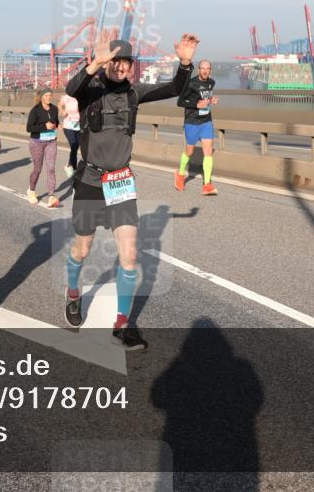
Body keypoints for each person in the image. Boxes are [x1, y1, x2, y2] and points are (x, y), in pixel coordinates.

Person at [63, 33, 199, 350]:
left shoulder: (134, 93)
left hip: (121, 181)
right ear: (107, 63)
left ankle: (122, 323)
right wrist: (94, 62)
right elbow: (71, 89)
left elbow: (175, 89)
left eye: (126, 63)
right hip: (90, 183)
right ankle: (73, 292)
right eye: (116, 62)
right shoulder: (91, 91)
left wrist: (185, 63)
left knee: (130, 256)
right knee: (81, 250)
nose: (121, 68)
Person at [175, 59, 219, 195]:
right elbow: (180, 102)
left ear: (210, 70)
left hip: (206, 121)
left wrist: (212, 100)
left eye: (208, 69)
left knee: (208, 151)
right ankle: (180, 174)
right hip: (192, 122)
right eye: (202, 68)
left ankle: (207, 185)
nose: (205, 71)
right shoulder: (191, 83)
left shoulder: (212, 83)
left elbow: (206, 98)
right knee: (189, 152)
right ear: (199, 70)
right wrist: (196, 104)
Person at [25, 88, 60, 207]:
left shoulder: (54, 109)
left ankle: (51, 196)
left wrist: (57, 125)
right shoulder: (35, 110)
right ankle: (31, 190)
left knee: (51, 168)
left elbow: (56, 122)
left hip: (51, 142)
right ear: (41, 97)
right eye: (46, 95)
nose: (48, 98)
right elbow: (29, 128)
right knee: (38, 169)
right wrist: (45, 126)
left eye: (50, 95)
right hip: (37, 142)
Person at [58, 91, 81, 178]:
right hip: (68, 125)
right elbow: (59, 104)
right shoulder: (67, 97)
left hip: (79, 125)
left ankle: (72, 167)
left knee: (76, 147)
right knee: (73, 144)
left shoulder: (82, 96)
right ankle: (71, 166)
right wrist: (62, 111)